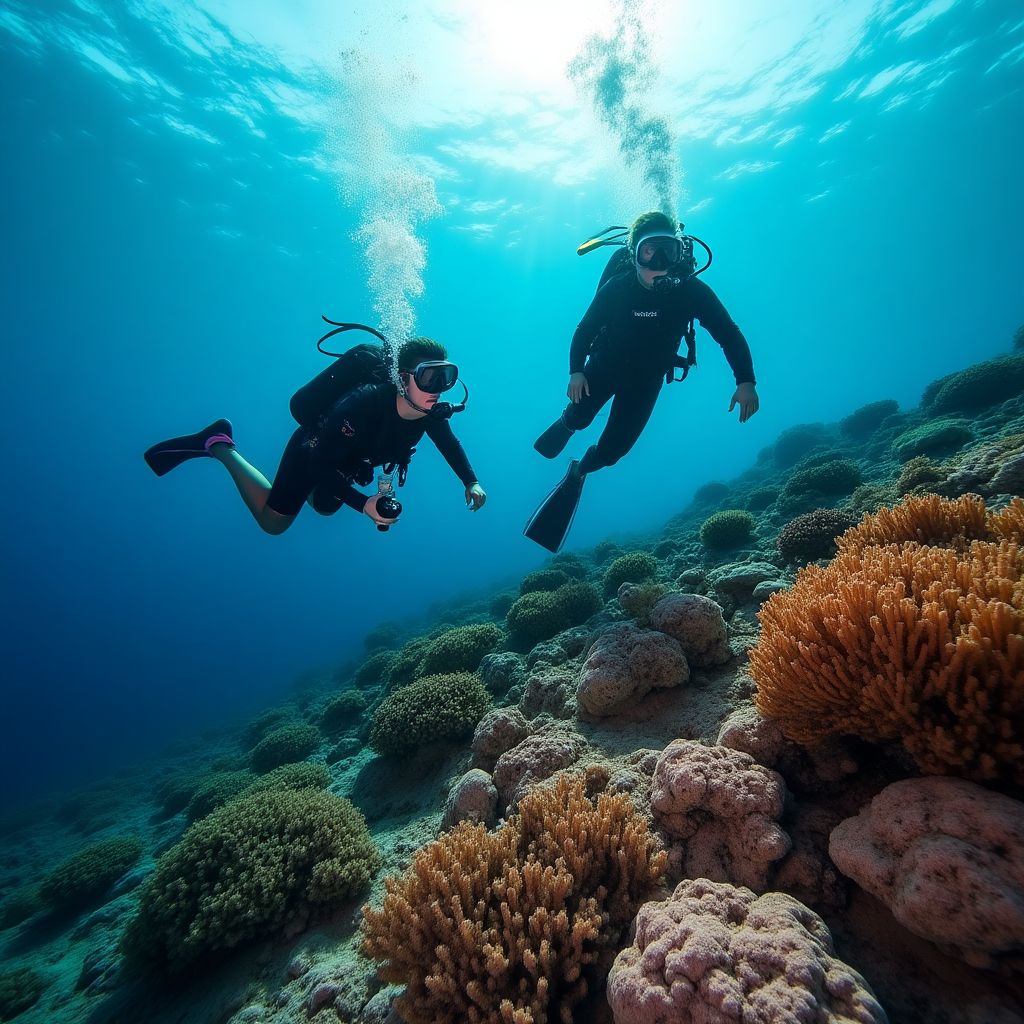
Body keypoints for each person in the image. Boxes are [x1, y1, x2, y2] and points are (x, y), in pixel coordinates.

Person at [525, 210, 758, 552]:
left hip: (645, 382)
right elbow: (584, 329)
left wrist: (745, 381)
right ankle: (567, 422)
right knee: (580, 416)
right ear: (635, 253)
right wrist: (576, 371)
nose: (659, 262)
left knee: (613, 451)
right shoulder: (617, 288)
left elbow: (728, 333)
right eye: (650, 252)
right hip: (601, 370)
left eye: (669, 251)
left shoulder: (692, 291)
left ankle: (579, 472)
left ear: (680, 253)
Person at [144, 336, 486, 534]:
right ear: (401, 377)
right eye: (429, 378)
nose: (438, 391)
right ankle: (219, 444)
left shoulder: (429, 412)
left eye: (446, 378)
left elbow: (448, 444)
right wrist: (362, 502)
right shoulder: (363, 403)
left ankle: (303, 492)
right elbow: (320, 463)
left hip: (346, 463)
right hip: (314, 452)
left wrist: (470, 482)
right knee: (273, 525)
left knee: (324, 507)